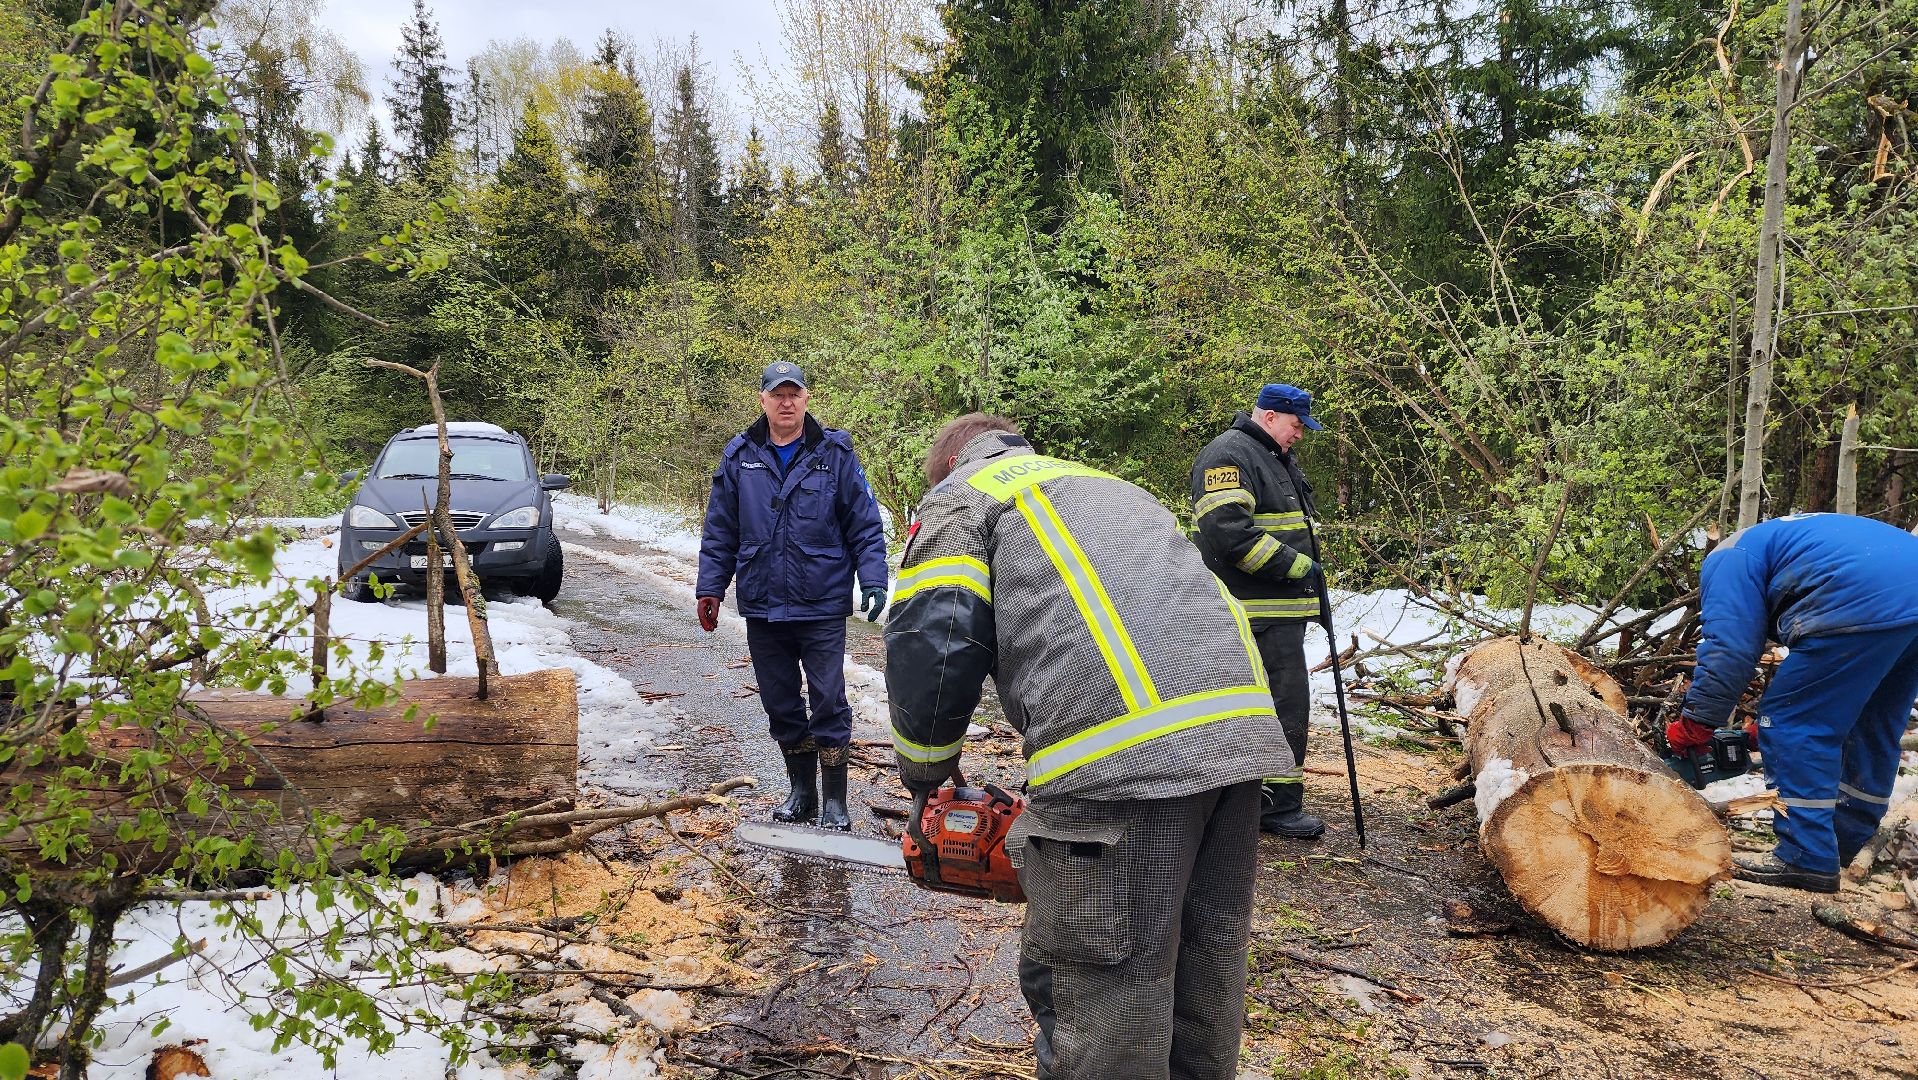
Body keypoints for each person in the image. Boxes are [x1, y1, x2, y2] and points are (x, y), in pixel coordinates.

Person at [885, 413, 1293, 1080]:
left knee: (1106, 999)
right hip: (1238, 741)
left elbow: (935, 641)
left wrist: (928, 782)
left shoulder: (967, 494)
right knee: (1203, 975)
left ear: (951, 460)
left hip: (1121, 769)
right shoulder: (1107, 488)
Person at [1669, 512, 1918, 893]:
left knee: (1792, 723)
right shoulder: (1781, 540)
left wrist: (1696, 723)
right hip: (1904, 594)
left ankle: (1807, 856)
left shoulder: (1726, 560)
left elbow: (1730, 649)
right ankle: (1846, 841)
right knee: (1871, 724)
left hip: (1859, 598)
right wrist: (1755, 733)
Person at [696, 361, 889, 831]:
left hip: (820, 601)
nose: (786, 402)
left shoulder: (835, 454)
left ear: (806, 399)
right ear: (762, 399)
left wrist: (874, 577)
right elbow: (720, 529)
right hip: (763, 602)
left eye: (794, 394)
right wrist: (711, 587)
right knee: (780, 702)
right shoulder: (740, 456)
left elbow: (864, 524)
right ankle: (801, 792)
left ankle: (836, 801)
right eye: (777, 394)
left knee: (827, 700)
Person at [1189, 383, 1327, 839]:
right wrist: (1298, 567)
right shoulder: (1229, 457)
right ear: (1269, 416)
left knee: (1286, 703)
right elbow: (1229, 535)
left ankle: (1271, 799)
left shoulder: (1274, 458)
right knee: (1280, 705)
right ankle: (1274, 806)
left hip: (1280, 611)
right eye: (1296, 425)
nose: (1300, 435)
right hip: (1252, 614)